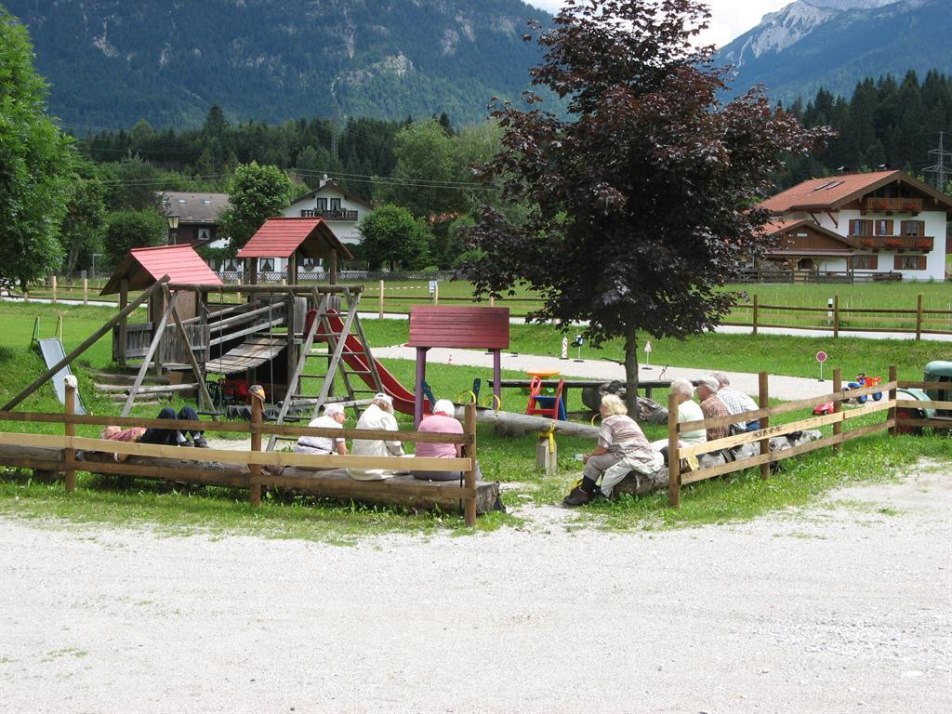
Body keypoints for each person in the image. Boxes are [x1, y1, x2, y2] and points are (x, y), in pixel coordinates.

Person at [562, 394, 663, 507]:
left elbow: (602, 449)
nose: (599, 408)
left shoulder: (608, 422)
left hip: (627, 456)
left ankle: (584, 492)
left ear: (609, 408)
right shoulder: (628, 419)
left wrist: (589, 457)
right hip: (645, 455)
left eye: (602, 406)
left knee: (593, 461)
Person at [411, 399, 483, 482]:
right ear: (451, 412)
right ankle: (478, 490)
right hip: (444, 472)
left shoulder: (423, 422)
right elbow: (461, 454)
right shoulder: (455, 423)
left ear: (435, 410)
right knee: (474, 465)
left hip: (419, 471)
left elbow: (418, 446)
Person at [101, 406, 208, 458]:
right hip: (146, 442)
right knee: (168, 412)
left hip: (159, 437)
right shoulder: (110, 440)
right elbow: (118, 456)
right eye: (110, 426)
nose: (115, 426)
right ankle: (179, 438)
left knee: (187, 410)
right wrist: (133, 440)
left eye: (116, 426)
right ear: (105, 433)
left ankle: (197, 438)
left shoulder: (125, 431)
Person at [348, 393, 405, 480]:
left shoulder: (364, 415)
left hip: (356, 470)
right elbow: (394, 444)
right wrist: (401, 455)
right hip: (375, 470)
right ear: (387, 406)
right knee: (411, 465)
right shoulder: (386, 416)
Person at [649, 378, 706, 464]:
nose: (672, 394)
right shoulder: (694, 405)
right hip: (701, 446)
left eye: (674, 391)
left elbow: (674, 438)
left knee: (651, 448)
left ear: (683, 394)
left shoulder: (680, 410)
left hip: (689, 448)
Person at [694, 375, 731, 441]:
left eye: (699, 387)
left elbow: (696, 430)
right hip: (722, 442)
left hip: (710, 444)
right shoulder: (720, 402)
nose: (696, 390)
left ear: (706, 389)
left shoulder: (705, 405)